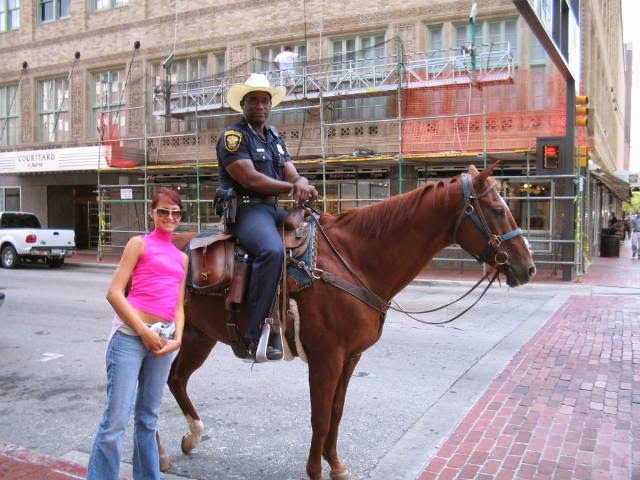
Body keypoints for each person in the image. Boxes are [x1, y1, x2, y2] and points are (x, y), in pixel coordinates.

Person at [87, 188, 188, 480]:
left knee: (148, 420)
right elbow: (114, 293)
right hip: (129, 337)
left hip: (164, 340)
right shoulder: (139, 244)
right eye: (163, 211)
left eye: (175, 212)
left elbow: (178, 306)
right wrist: (143, 331)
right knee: (115, 421)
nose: (169, 217)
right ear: (152, 213)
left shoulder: (182, 259)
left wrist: (178, 340)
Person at [217, 73, 318, 361]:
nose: (260, 106)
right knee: (272, 251)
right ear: (243, 104)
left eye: (265, 100)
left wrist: (302, 182)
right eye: (254, 101)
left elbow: (291, 171)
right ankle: (253, 331)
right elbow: (250, 178)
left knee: (318, 227)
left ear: (271, 105)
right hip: (247, 210)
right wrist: (291, 187)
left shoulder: (274, 137)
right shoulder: (234, 137)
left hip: (272, 209)